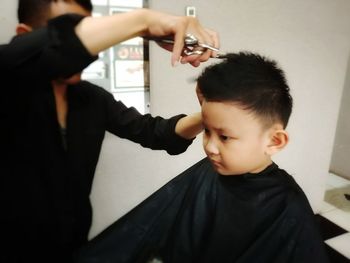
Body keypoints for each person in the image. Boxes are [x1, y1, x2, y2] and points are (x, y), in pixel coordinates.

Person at [0, 0, 220, 262]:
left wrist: (209, 115)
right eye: (74, 31)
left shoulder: (91, 99)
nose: (85, 53)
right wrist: (144, 21)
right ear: (25, 36)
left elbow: (156, 132)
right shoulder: (6, 79)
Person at [75, 52, 329, 263]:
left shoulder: (288, 208)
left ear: (275, 141)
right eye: (207, 131)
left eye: (225, 137)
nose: (210, 147)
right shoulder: (208, 173)